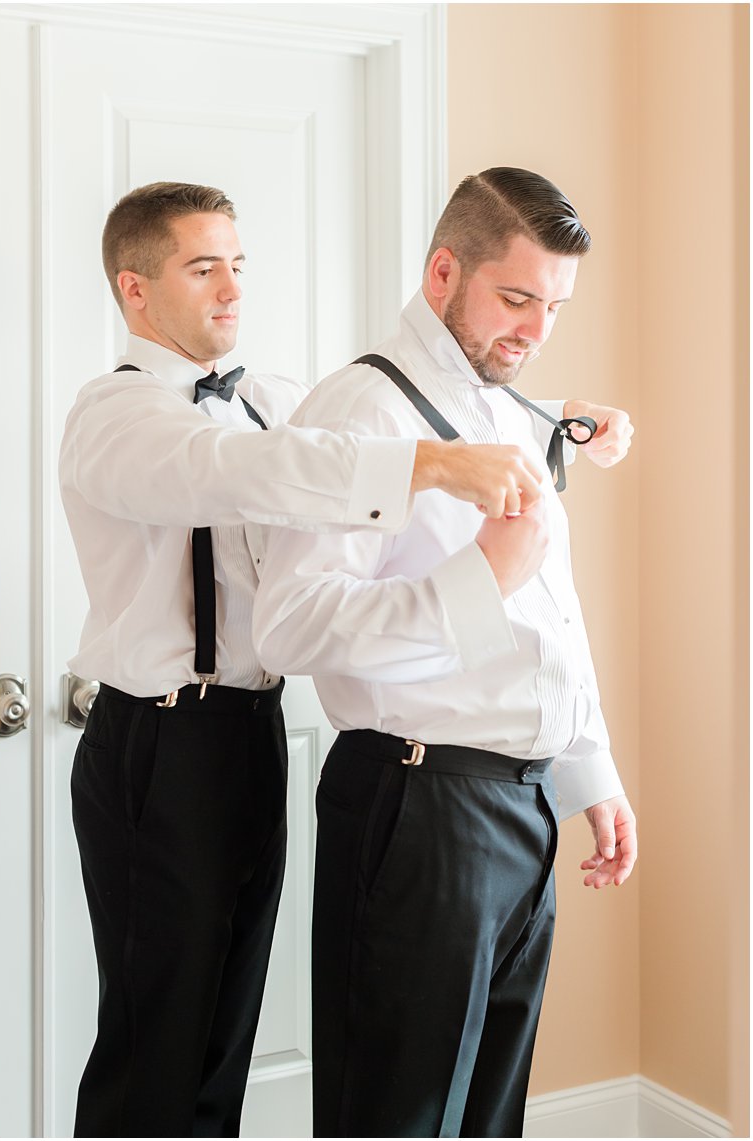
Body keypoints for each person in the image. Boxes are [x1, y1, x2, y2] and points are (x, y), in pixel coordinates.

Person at [59, 180, 633, 1137]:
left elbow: (394, 412)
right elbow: (253, 470)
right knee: (154, 1043)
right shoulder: (113, 418)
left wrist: (553, 416)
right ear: (135, 288)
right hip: (153, 738)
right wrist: (431, 467)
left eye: (239, 264)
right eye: (204, 268)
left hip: (250, 731)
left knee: (222, 1033)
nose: (233, 289)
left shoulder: (276, 402)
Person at [252, 167, 638, 1138]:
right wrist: (481, 577)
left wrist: (591, 770)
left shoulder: (509, 414)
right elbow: (289, 625)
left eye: (552, 306)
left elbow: (552, 610)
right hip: (413, 809)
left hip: (521, 807)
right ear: (441, 273)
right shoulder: (355, 414)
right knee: (396, 1117)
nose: (534, 330)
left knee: (486, 1117)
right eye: (514, 298)